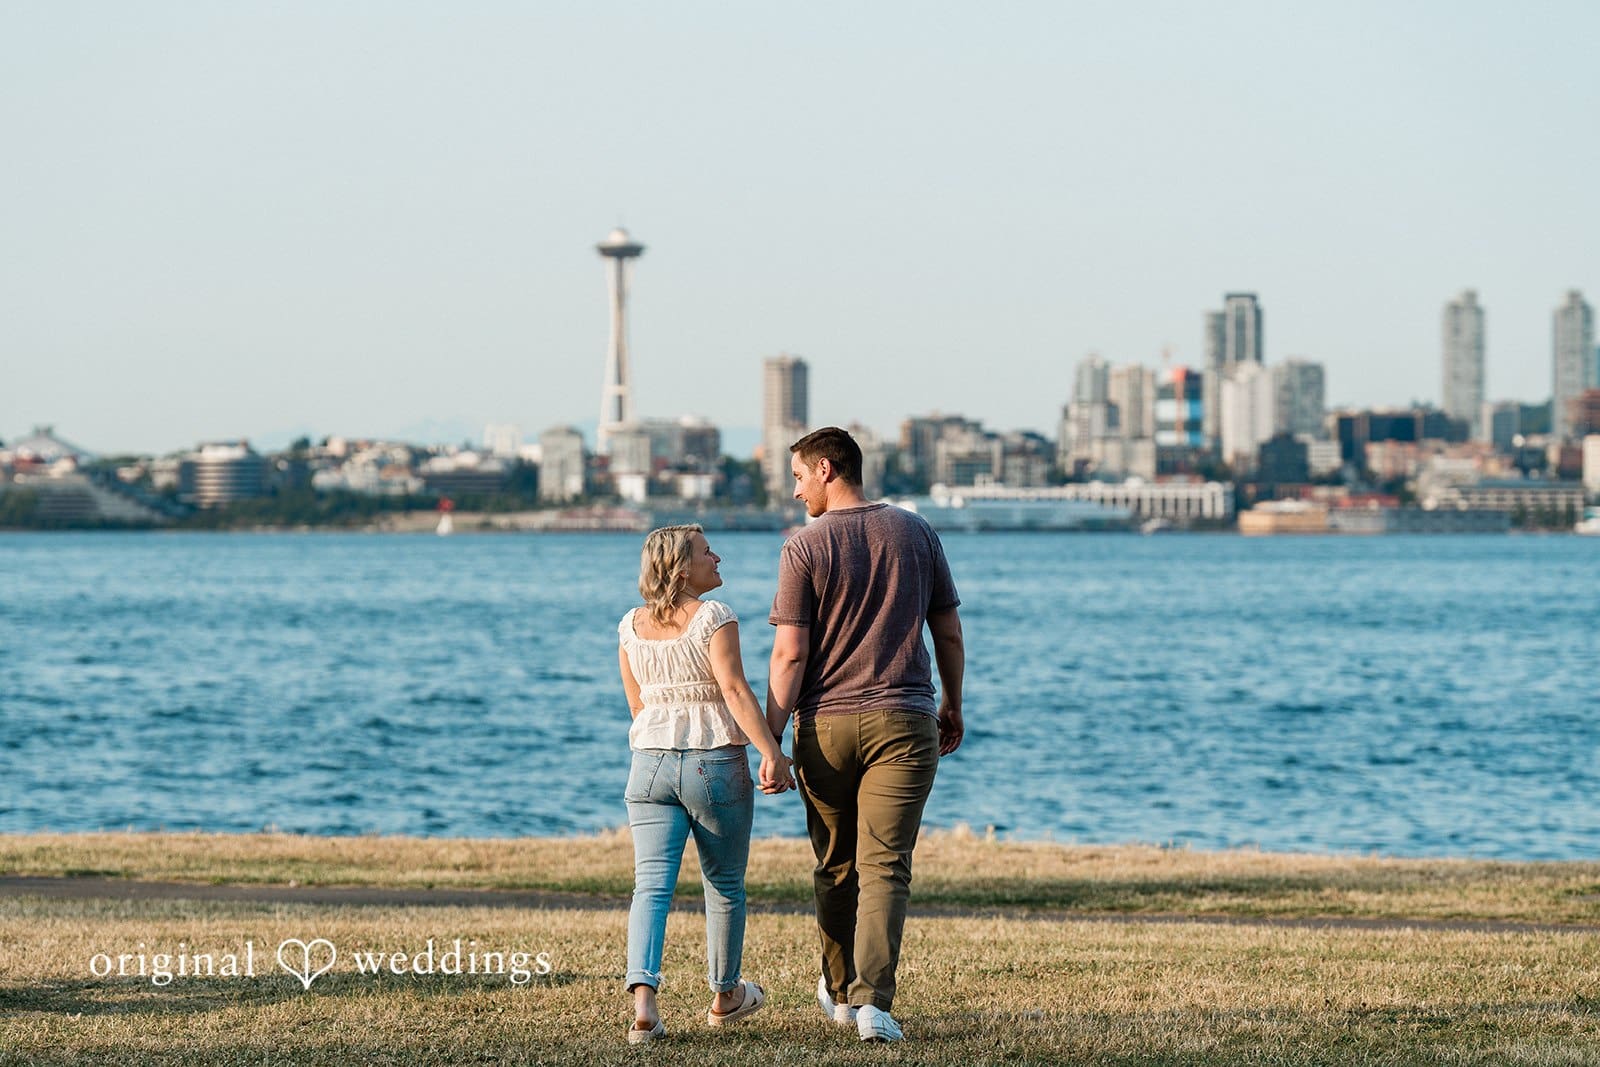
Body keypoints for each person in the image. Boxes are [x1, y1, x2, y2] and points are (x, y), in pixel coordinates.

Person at [765, 426, 966, 1044]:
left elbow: (790, 657)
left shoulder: (804, 548)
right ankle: (874, 1005)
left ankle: (841, 988)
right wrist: (953, 705)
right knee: (886, 866)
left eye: (798, 477)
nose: (796, 492)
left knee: (834, 864)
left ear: (827, 468)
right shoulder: (917, 531)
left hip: (824, 727)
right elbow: (949, 633)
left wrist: (770, 740)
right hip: (906, 722)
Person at [617, 524, 795, 1045]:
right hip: (713, 762)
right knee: (724, 883)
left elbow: (638, 706)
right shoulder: (715, 617)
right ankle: (724, 994)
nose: (717, 557)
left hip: (647, 764)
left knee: (650, 884)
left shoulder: (630, 627)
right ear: (680, 568)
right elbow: (735, 691)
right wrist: (773, 754)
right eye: (705, 552)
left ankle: (644, 1004)